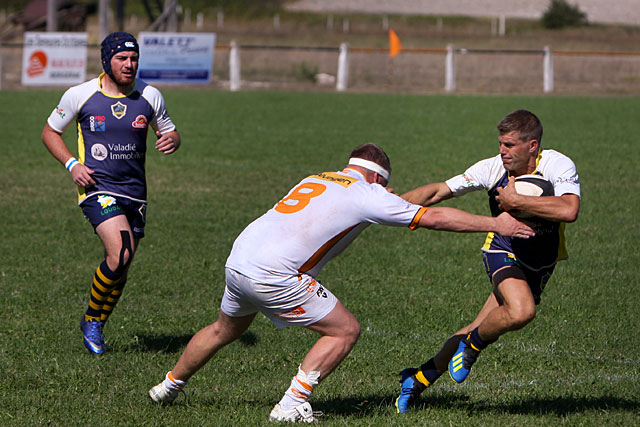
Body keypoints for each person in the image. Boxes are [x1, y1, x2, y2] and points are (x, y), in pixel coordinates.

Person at [147, 143, 534, 422]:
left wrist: (383, 200)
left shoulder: (317, 177)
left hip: (239, 261)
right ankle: (291, 404)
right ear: (378, 179)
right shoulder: (368, 193)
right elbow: (433, 218)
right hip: (274, 274)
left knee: (222, 329)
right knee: (344, 330)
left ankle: (167, 386)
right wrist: (495, 223)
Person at [395, 109, 580, 413]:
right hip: (502, 249)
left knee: (480, 324)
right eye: (500, 144)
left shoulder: (557, 164)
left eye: (510, 145)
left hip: (542, 262)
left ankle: (417, 379)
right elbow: (440, 191)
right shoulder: (491, 168)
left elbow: (569, 210)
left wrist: (517, 201)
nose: (502, 152)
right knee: (521, 312)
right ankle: (472, 346)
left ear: (532, 145)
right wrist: (389, 205)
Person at [41, 32, 181, 355]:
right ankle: (91, 320)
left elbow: (169, 130)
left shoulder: (150, 96)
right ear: (107, 61)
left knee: (122, 266)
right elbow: (50, 132)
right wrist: (72, 164)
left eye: (134, 59)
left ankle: (98, 324)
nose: (129, 65)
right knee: (119, 253)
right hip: (96, 187)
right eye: (122, 59)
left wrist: (173, 140)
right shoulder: (80, 95)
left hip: (135, 193)